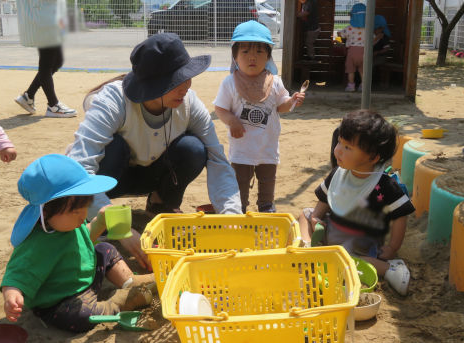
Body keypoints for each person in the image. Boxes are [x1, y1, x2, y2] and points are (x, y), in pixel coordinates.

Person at [67, 33, 242, 269]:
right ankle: (101, 221)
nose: (185, 87)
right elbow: (79, 169)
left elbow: (218, 160)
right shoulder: (113, 101)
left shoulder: (189, 103)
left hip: (152, 173)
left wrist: (232, 218)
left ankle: (161, 203)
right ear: (149, 87)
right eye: (174, 83)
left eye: (187, 77)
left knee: (194, 148)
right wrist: (121, 228)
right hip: (110, 178)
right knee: (114, 147)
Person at [0, 154, 155, 332]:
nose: (83, 215)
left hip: (85, 279)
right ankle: (118, 303)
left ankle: (129, 281)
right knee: (80, 317)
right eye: (76, 211)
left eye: (86, 206)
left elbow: (84, 240)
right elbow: (16, 275)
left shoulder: (67, 224)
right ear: (47, 209)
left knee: (104, 249)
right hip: (61, 301)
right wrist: (12, 294)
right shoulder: (36, 245)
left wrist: (99, 222)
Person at [298, 110, 415, 295]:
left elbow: (401, 216)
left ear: (373, 157)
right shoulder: (339, 173)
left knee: (350, 259)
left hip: (360, 241)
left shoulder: (384, 184)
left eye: (348, 148)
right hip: (333, 228)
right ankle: (304, 246)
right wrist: (316, 217)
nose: (338, 150)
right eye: (339, 142)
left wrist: (393, 247)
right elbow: (325, 198)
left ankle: (392, 270)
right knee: (304, 214)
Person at [213, 21, 305, 213]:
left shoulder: (275, 81)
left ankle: (266, 207)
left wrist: (293, 100)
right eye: (245, 52)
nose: (252, 57)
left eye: (259, 52)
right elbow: (220, 108)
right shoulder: (230, 82)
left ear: (269, 57)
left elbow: (281, 106)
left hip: (267, 146)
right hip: (242, 147)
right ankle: (240, 208)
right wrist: (232, 121)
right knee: (240, 181)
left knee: (268, 179)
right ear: (235, 56)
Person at [14, 0, 76, 118]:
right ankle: (53, 105)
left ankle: (28, 96)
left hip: (48, 14)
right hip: (43, 17)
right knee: (47, 63)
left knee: (57, 61)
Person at [338, 3, 367, 92]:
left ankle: (351, 86)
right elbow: (373, 38)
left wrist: (339, 33)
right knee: (363, 71)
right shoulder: (368, 28)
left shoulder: (349, 28)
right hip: (364, 51)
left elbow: (341, 34)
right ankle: (363, 86)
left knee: (351, 70)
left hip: (352, 51)